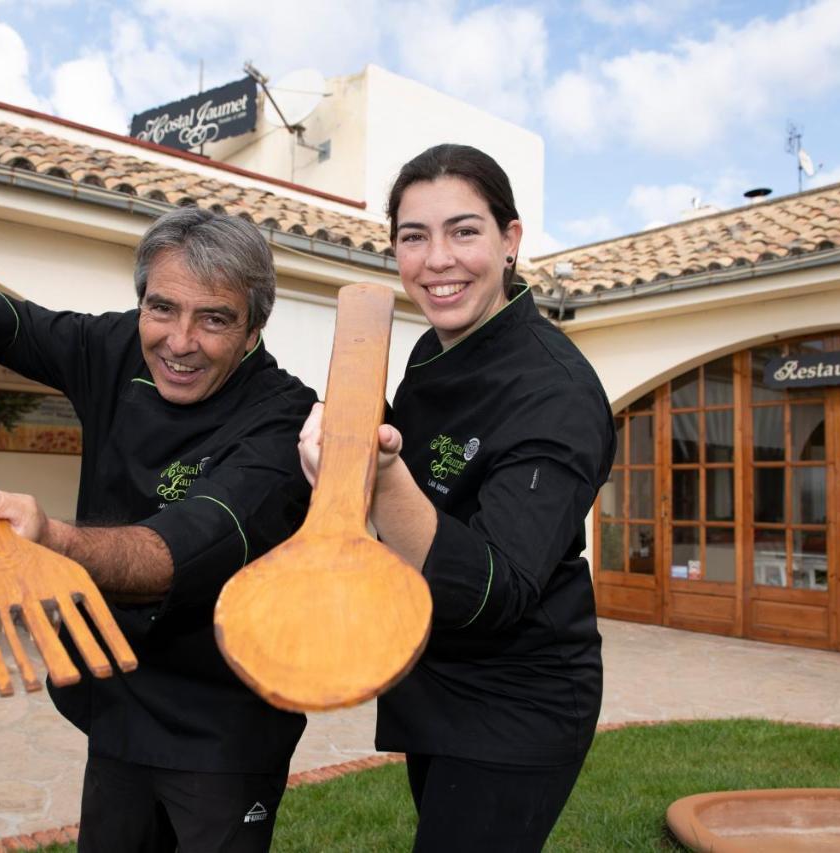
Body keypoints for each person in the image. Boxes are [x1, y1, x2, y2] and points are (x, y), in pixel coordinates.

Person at [0, 207, 317, 853]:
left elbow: (176, 550)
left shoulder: (285, 419)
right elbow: (12, 319)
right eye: (162, 308)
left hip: (224, 720)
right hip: (115, 690)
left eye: (214, 318)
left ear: (252, 329)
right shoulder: (115, 348)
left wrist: (46, 541)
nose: (180, 341)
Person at [299, 144, 615, 851]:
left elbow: (497, 588)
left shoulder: (556, 393)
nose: (437, 259)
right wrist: (343, 442)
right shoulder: (430, 351)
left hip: (520, 697)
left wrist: (378, 470)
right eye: (414, 236)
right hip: (434, 672)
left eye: (464, 231)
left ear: (510, 242)